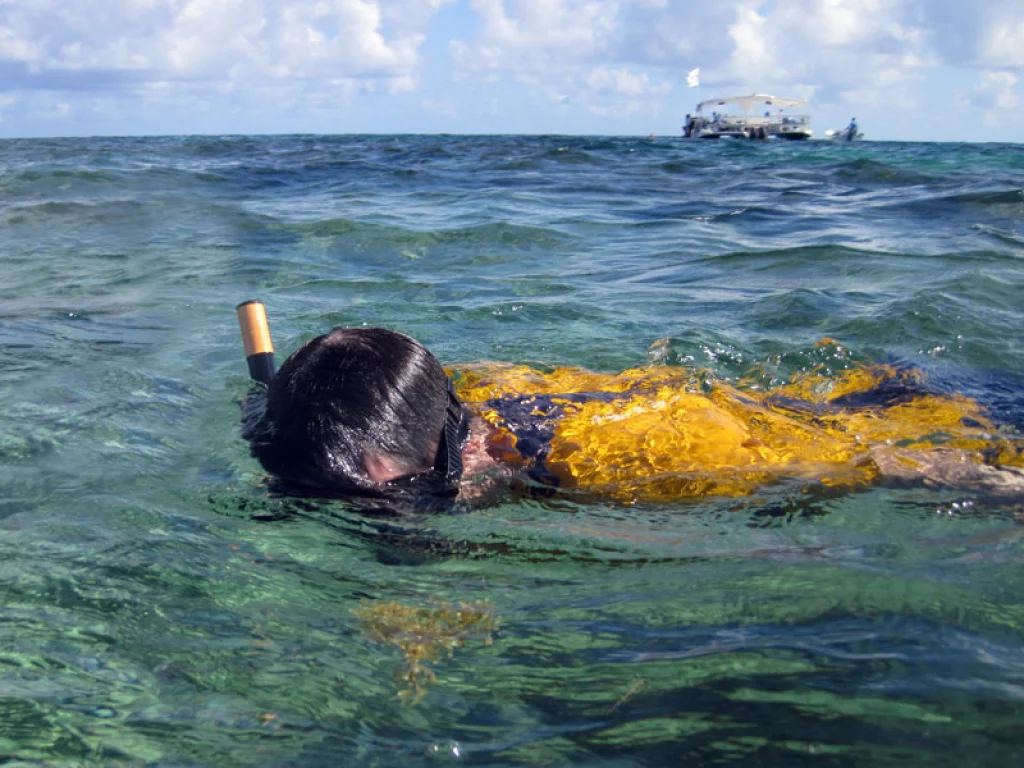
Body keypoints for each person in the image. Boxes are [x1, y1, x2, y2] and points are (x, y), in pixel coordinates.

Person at [242, 328, 1024, 507]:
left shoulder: (609, 466)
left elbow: (886, 460)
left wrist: (995, 486)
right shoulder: (317, 426)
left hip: (933, 411)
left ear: (459, 449)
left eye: (410, 497)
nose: (397, 521)